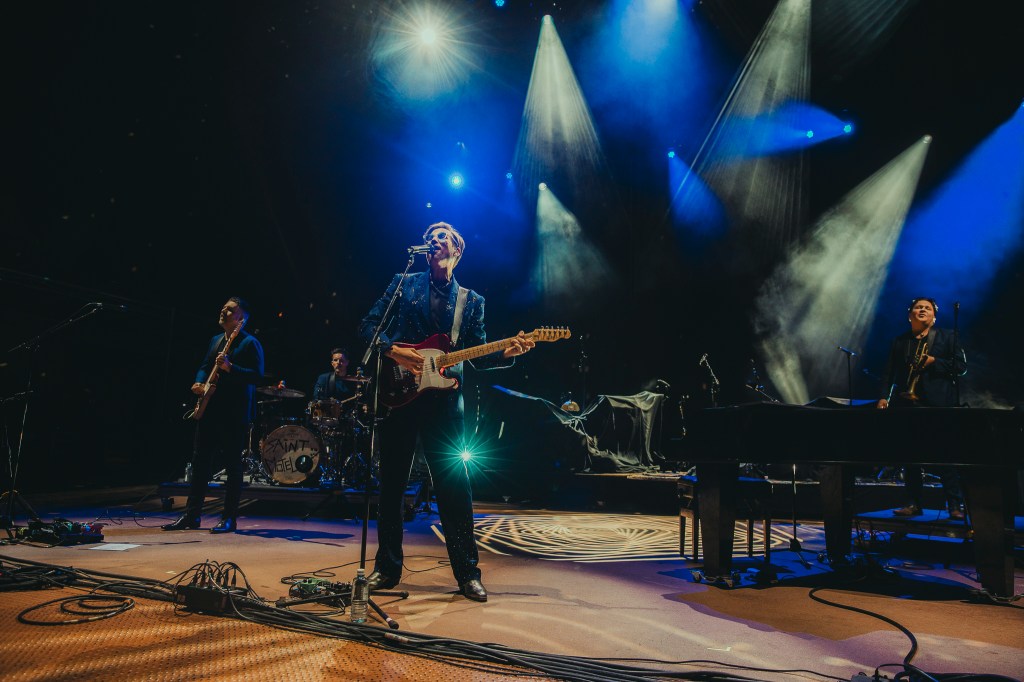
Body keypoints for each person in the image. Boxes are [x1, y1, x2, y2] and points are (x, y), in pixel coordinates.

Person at [359, 222, 534, 602]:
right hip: (399, 396)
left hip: (444, 405)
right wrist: (395, 352)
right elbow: (369, 327)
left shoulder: (472, 301)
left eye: (442, 237)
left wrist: (507, 353)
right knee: (391, 487)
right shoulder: (403, 283)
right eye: (430, 236)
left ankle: (468, 574)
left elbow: (479, 356)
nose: (433, 240)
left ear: (458, 249)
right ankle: (385, 569)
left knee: (455, 489)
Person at [164, 297, 265, 533]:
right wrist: (199, 382)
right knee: (200, 463)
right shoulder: (215, 340)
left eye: (230, 309)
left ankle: (229, 518)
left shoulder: (250, 343)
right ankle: (192, 515)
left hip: (234, 413)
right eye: (224, 307)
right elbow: (204, 364)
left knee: (233, 466)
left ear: (241, 318)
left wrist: (231, 368)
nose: (224, 310)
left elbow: (257, 376)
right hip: (210, 408)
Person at [876, 297, 967, 518]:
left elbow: (961, 367)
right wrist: (883, 398)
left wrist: (935, 361)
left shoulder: (948, 336)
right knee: (911, 457)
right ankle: (913, 503)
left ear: (934, 317)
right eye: (918, 307)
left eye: (927, 308)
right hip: (908, 403)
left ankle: (955, 505)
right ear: (910, 316)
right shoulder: (900, 341)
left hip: (938, 405)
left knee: (945, 455)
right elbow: (889, 372)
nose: (922, 310)